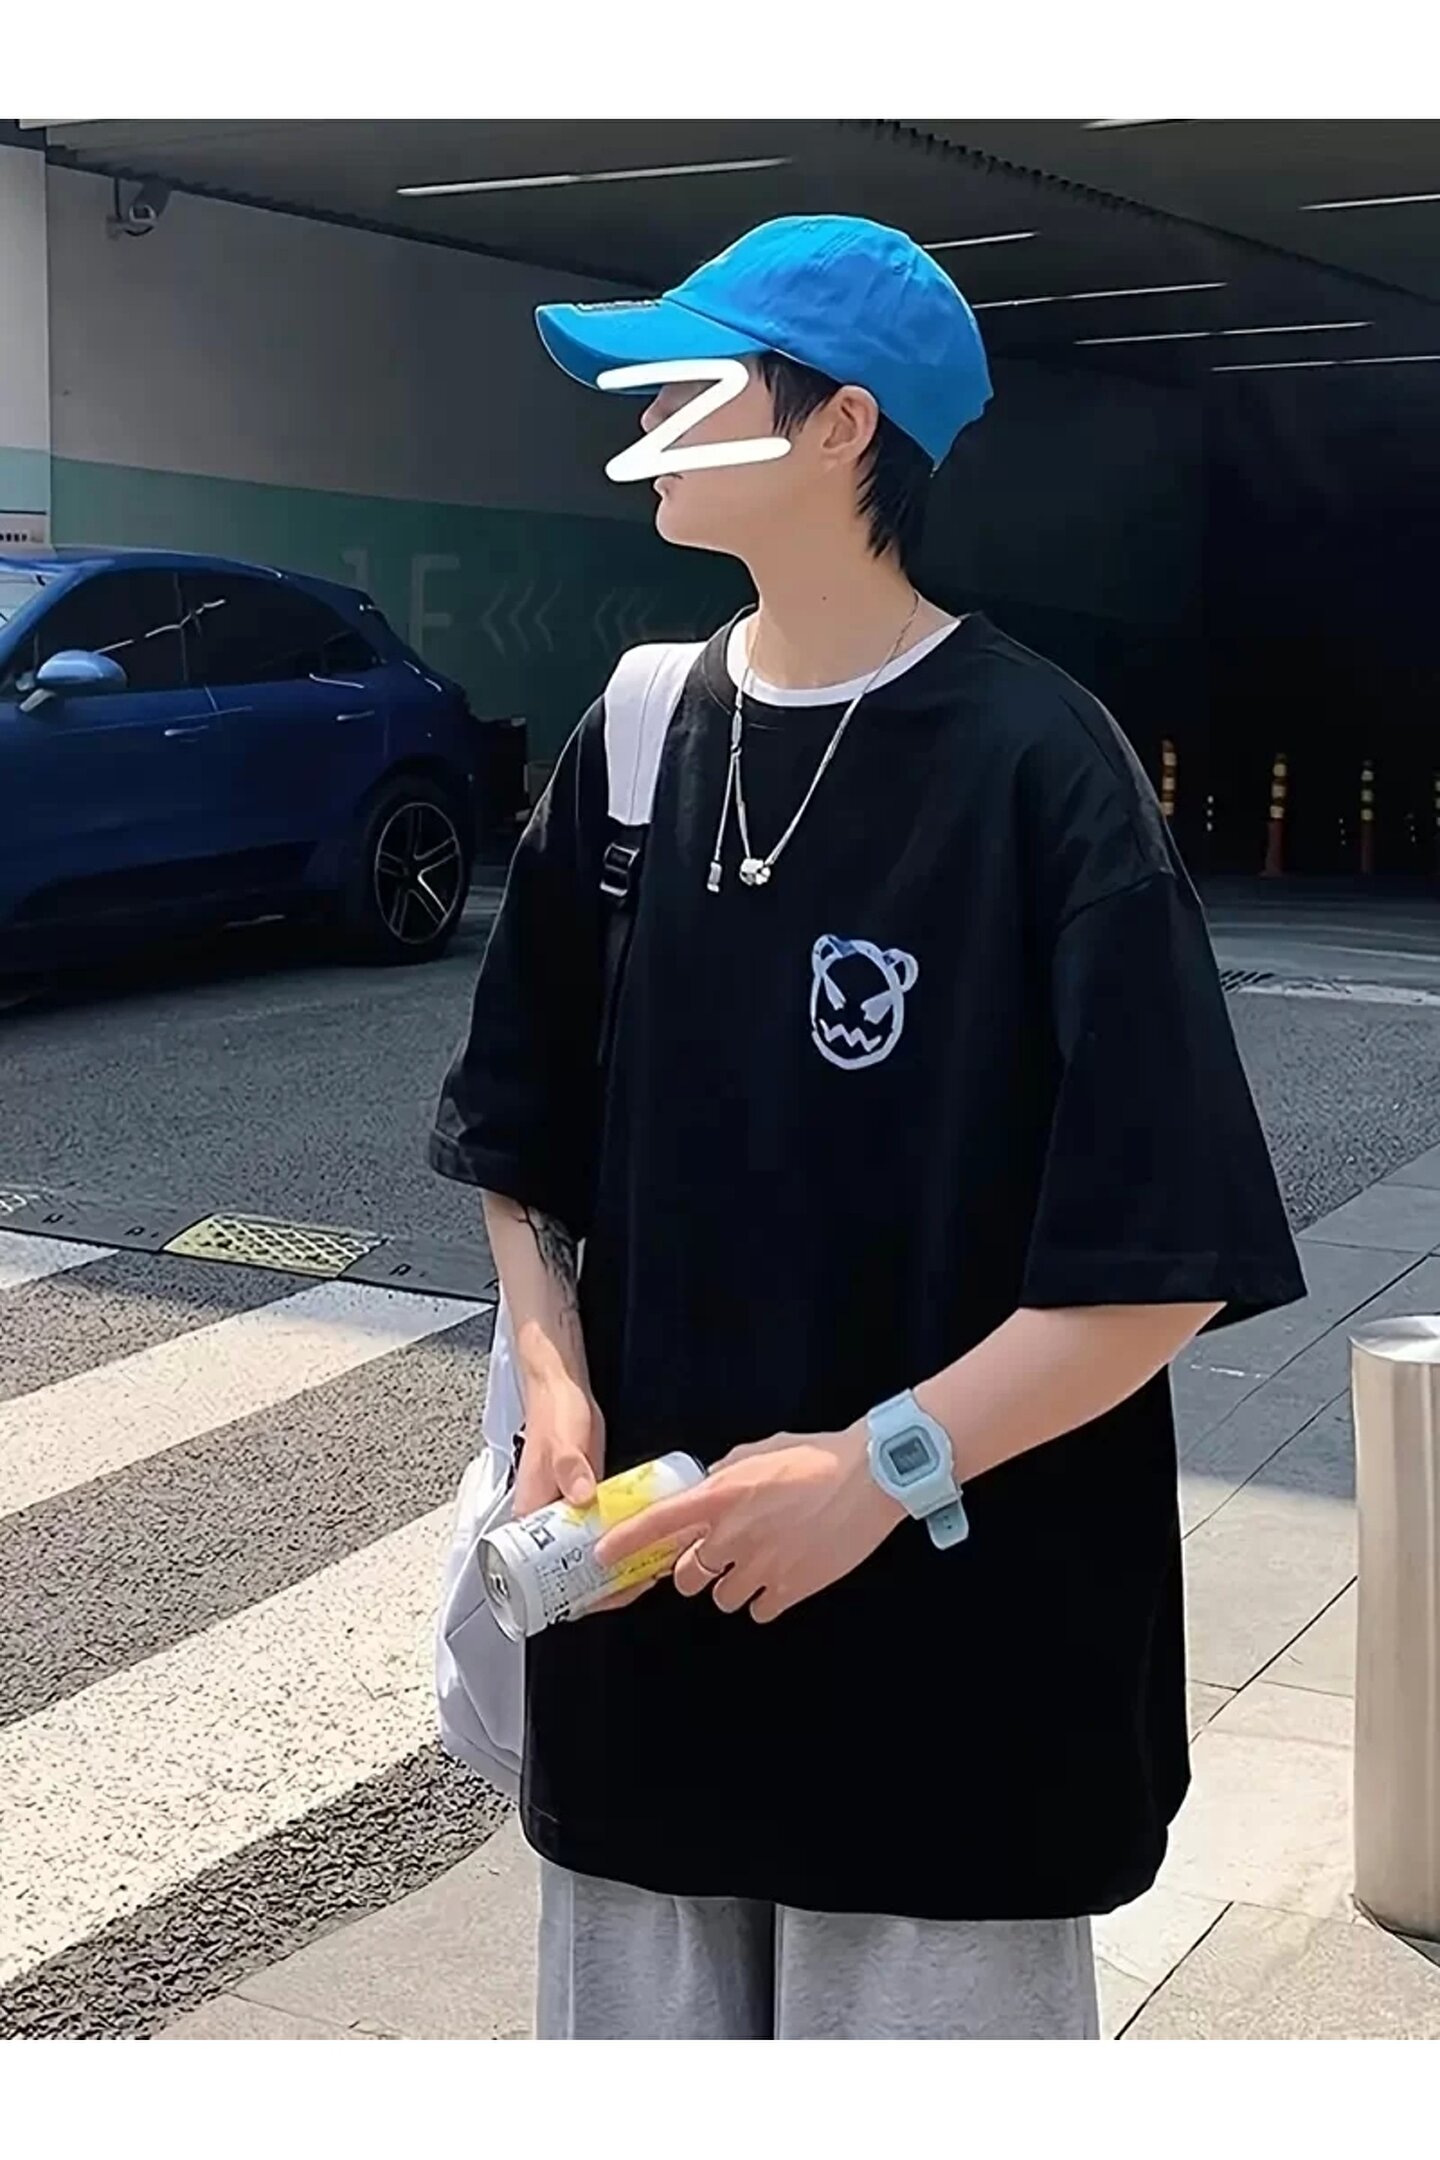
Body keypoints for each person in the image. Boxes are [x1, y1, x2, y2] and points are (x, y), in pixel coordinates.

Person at [429, 215, 1305, 2041]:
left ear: (843, 427)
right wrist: (558, 1385)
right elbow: (521, 1139)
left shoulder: (1044, 768)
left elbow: (1160, 1263)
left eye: (693, 386)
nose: (646, 420)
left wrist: (877, 1470)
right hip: (652, 1641)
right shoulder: (637, 735)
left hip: (948, 1688)